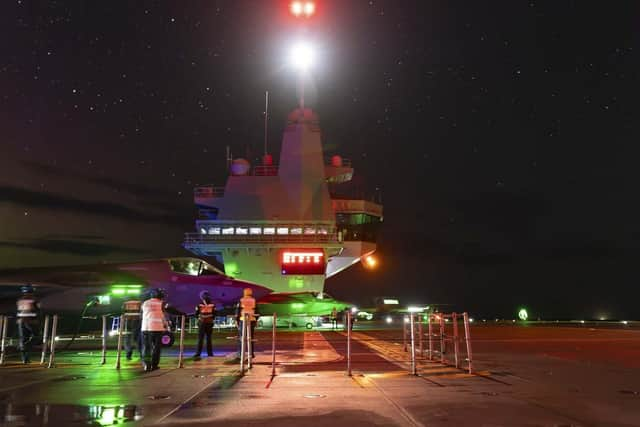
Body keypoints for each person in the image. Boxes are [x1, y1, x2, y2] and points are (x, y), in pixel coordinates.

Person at [140, 288, 168, 372]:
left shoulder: (144, 303)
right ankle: (154, 365)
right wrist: (166, 325)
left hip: (145, 328)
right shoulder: (162, 303)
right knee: (156, 348)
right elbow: (164, 315)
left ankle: (147, 365)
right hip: (157, 328)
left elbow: (142, 314)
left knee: (146, 347)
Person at [16, 285, 40, 364]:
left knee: (23, 339)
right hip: (31, 321)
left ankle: (25, 359)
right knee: (37, 337)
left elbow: (18, 311)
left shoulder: (20, 300)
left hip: (21, 322)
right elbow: (37, 311)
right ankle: (26, 346)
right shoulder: (34, 300)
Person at [193, 290, 215, 360]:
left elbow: (196, 314)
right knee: (208, 339)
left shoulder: (199, 305)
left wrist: (200, 318)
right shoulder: (212, 305)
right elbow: (215, 314)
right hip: (209, 323)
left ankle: (198, 353)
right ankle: (210, 353)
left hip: (202, 323)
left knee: (201, 339)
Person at [237, 288, 257, 358]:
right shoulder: (254, 300)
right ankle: (251, 354)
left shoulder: (241, 300)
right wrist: (255, 320)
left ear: (244, 293)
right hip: (251, 320)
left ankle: (240, 354)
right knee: (250, 338)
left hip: (243, 320)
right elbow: (257, 311)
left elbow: (238, 311)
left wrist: (237, 320)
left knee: (242, 338)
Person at [122, 296, 142, 360]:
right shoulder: (139, 303)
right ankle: (141, 352)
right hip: (137, 322)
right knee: (137, 338)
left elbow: (122, 312)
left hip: (128, 322)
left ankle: (128, 353)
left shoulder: (125, 303)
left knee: (127, 338)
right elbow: (142, 312)